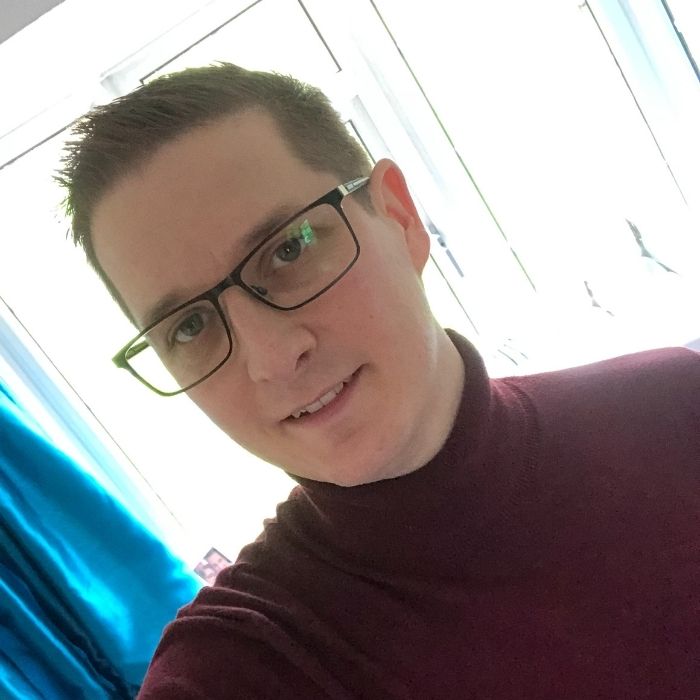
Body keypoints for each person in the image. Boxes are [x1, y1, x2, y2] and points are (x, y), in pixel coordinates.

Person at [56, 63, 700, 699]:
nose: (271, 359)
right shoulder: (238, 668)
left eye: (289, 248)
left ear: (400, 215)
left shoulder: (675, 406)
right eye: (190, 326)